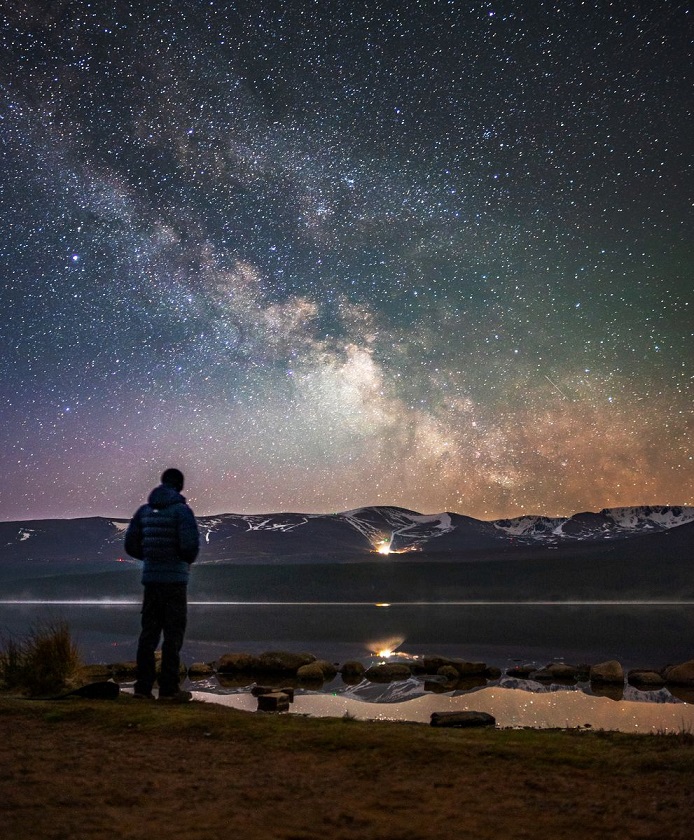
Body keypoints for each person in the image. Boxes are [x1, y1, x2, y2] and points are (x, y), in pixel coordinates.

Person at [124, 468, 200, 702]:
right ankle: (168, 689)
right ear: (179, 486)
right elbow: (189, 547)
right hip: (175, 581)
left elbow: (130, 545)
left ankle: (142, 688)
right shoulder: (182, 511)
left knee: (148, 634)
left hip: (151, 580)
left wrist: (150, 559)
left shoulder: (144, 512)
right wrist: (180, 560)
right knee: (173, 634)